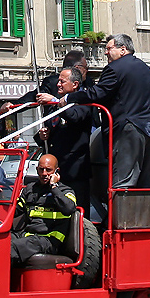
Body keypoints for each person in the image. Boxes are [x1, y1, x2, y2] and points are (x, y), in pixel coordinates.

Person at [60, 33, 150, 188]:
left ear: (122, 50)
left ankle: (121, 212)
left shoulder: (114, 68)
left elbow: (98, 93)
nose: (106, 52)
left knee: (123, 183)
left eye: (109, 48)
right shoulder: (143, 67)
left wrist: (69, 98)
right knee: (149, 183)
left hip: (130, 130)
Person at [34, 66, 94, 212]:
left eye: (62, 81)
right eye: (58, 81)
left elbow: (75, 116)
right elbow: (50, 130)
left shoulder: (84, 101)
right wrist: (42, 136)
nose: (58, 84)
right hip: (56, 168)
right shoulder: (54, 105)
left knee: (77, 210)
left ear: (75, 84)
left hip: (74, 170)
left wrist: (55, 101)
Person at [10, 154, 78, 265]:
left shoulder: (65, 191)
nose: (44, 173)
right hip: (28, 236)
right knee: (0, 242)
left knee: (13, 247)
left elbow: (69, 208)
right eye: (41, 169)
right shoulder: (30, 189)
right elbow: (14, 211)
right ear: (37, 170)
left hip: (49, 240)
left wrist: (54, 186)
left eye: (48, 170)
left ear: (57, 171)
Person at [0, 49, 89, 114]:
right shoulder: (52, 83)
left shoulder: (89, 83)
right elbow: (35, 96)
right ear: (78, 68)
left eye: (62, 82)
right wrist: (13, 105)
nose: (59, 84)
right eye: (86, 68)